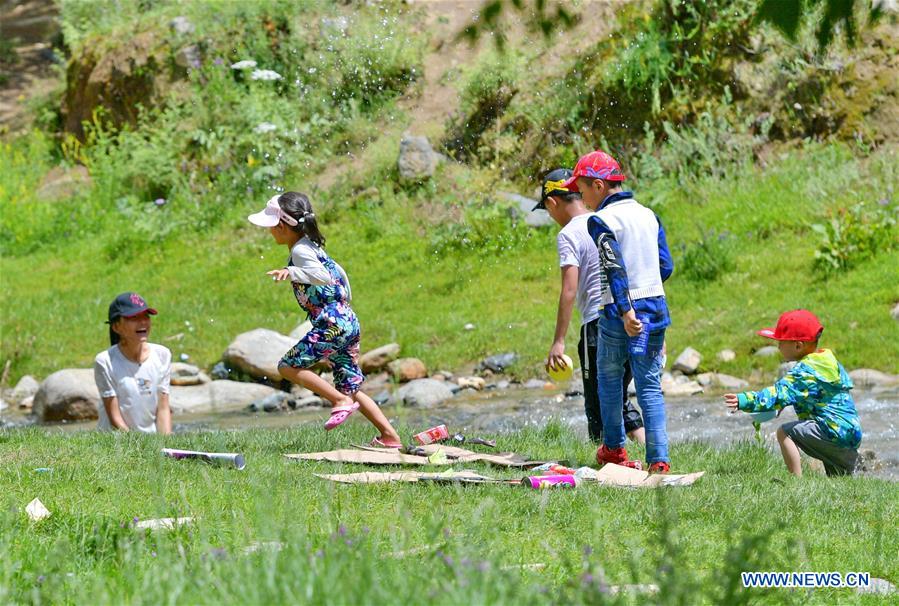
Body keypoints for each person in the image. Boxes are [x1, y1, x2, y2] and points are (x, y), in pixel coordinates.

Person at [248, 192, 402, 448]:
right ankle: (389, 436)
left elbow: (321, 276)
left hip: (332, 324)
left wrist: (291, 271)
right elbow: (339, 273)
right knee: (351, 386)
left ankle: (339, 402)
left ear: (282, 226)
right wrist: (342, 304)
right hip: (347, 319)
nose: (269, 232)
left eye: (271, 227)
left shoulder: (299, 251)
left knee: (288, 367)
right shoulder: (312, 245)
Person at [563, 150, 674, 473]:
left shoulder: (602, 220)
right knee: (649, 383)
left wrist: (626, 310)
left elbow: (613, 266)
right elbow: (665, 264)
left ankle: (614, 449)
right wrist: (646, 287)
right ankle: (659, 459)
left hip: (618, 310)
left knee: (609, 378)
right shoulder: (649, 214)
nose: (581, 197)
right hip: (654, 304)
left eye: (582, 189)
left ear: (598, 185)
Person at [537, 168, 645, 445]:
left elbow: (569, 289)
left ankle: (605, 456)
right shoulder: (605, 220)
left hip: (596, 324)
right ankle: (647, 446)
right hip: (628, 316)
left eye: (548, 210)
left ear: (552, 202)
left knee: (598, 402)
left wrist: (558, 341)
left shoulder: (568, 234)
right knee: (619, 395)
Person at [725, 310, 862, 477]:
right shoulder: (826, 362)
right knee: (839, 479)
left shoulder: (804, 372)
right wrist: (787, 402)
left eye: (781, 342)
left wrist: (743, 400)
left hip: (831, 432)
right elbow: (813, 394)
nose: (778, 346)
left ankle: (795, 481)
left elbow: (776, 394)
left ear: (798, 346)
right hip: (849, 433)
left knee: (785, 432)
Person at [93, 292, 173, 434]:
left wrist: (165, 446)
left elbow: (163, 408)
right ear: (116, 327)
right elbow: (115, 417)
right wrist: (138, 447)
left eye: (146, 316)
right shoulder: (105, 361)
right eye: (134, 317)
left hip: (150, 442)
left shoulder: (162, 355)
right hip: (115, 443)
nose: (142, 322)